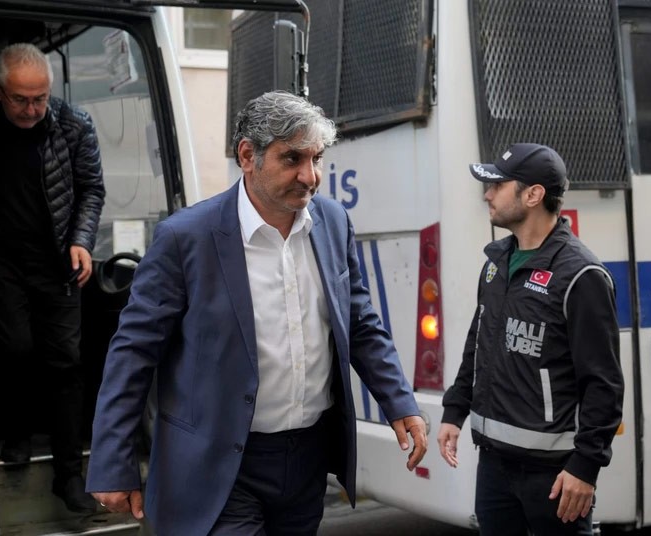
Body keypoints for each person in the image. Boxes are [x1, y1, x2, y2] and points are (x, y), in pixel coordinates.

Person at [86, 90, 427, 535]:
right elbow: (133, 353)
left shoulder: (332, 222)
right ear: (248, 156)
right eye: (292, 159)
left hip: (305, 464)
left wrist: (399, 402)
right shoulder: (185, 238)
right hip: (217, 466)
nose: (310, 176)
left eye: (317, 159)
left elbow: (359, 323)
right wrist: (112, 460)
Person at [437, 143, 624, 535]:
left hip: (554, 476)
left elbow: (604, 384)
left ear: (533, 195)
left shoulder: (582, 275)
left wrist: (585, 467)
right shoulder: (496, 265)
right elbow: (478, 343)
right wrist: (455, 410)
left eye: (498, 185)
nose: (487, 195)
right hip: (493, 466)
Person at [0, 43, 105, 513]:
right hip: (0, 261)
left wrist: (82, 240)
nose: (32, 110)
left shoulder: (75, 126)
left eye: (40, 99)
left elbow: (91, 189)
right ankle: (16, 435)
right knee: (14, 349)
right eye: (21, 100)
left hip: (57, 262)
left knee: (66, 362)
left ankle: (69, 475)